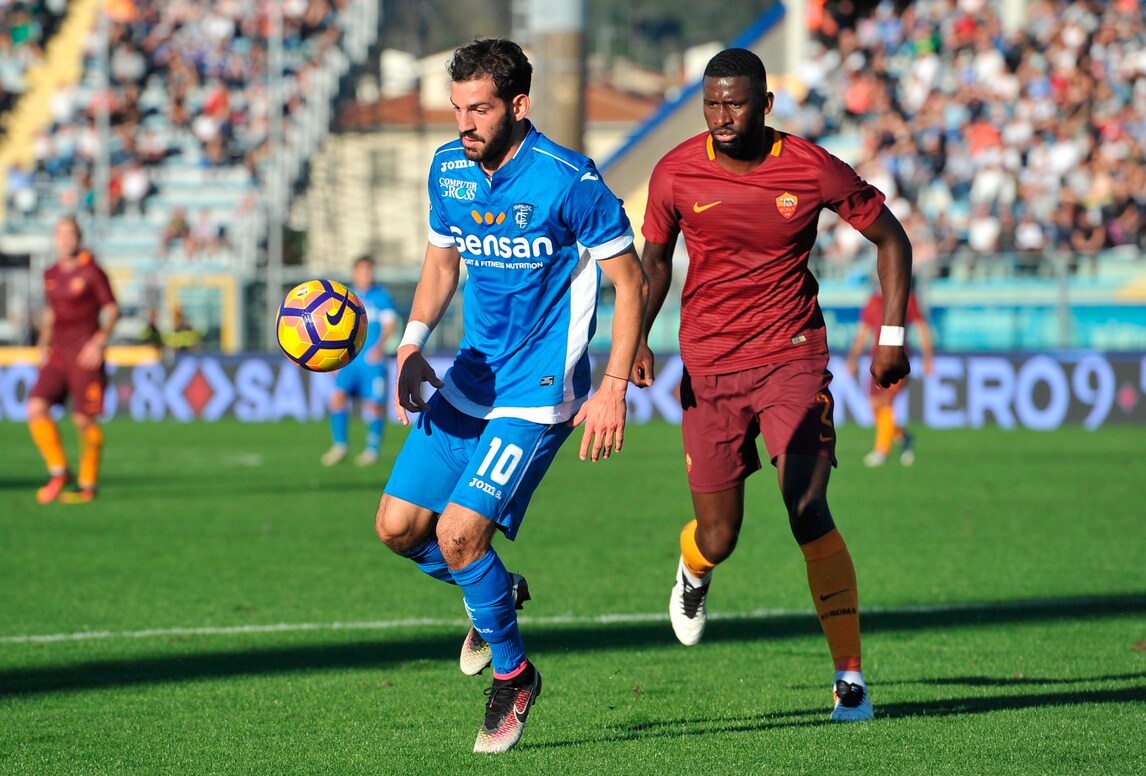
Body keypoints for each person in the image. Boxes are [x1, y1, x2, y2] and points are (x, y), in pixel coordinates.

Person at [373, 38, 647, 754]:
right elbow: (442, 263)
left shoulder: (569, 179)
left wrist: (613, 385)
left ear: (518, 105)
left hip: (538, 392)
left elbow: (631, 281)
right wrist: (410, 343)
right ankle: (494, 590)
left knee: (460, 536)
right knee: (398, 528)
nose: (464, 123)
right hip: (471, 377)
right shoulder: (447, 169)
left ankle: (515, 675)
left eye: (480, 109)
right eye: (457, 108)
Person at [634, 48, 913, 723]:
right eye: (711, 104)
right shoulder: (675, 171)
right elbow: (656, 260)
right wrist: (636, 336)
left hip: (792, 356)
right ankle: (694, 568)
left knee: (806, 505)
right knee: (719, 535)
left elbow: (892, 239)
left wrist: (891, 335)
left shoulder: (810, 167)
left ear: (765, 104)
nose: (721, 117)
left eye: (735, 104)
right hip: (710, 368)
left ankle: (849, 677)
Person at [27, 215, 119, 504]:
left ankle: (87, 484)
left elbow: (112, 310)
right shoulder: (50, 273)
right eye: (61, 234)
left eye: (71, 234)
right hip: (57, 354)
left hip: (84, 357)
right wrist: (43, 343)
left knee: (83, 419)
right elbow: (51, 313)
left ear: (79, 237)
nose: (65, 239)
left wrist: (99, 341)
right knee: (35, 408)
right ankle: (59, 471)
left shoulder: (92, 272)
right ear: (55, 239)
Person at [321, 254, 398, 467]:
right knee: (337, 398)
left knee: (374, 404)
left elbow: (390, 324)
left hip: (371, 362)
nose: (366, 275)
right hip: (349, 361)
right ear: (354, 273)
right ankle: (340, 445)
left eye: (369, 270)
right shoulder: (345, 296)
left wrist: (379, 348)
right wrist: (332, 360)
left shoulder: (380, 296)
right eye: (362, 271)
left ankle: (372, 449)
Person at [845, 284, 934, 467]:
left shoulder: (906, 298)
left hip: (896, 360)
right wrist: (853, 359)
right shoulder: (873, 301)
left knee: (885, 401)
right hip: (876, 361)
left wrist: (928, 358)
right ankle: (903, 437)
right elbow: (863, 332)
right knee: (874, 406)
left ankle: (881, 450)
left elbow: (922, 328)